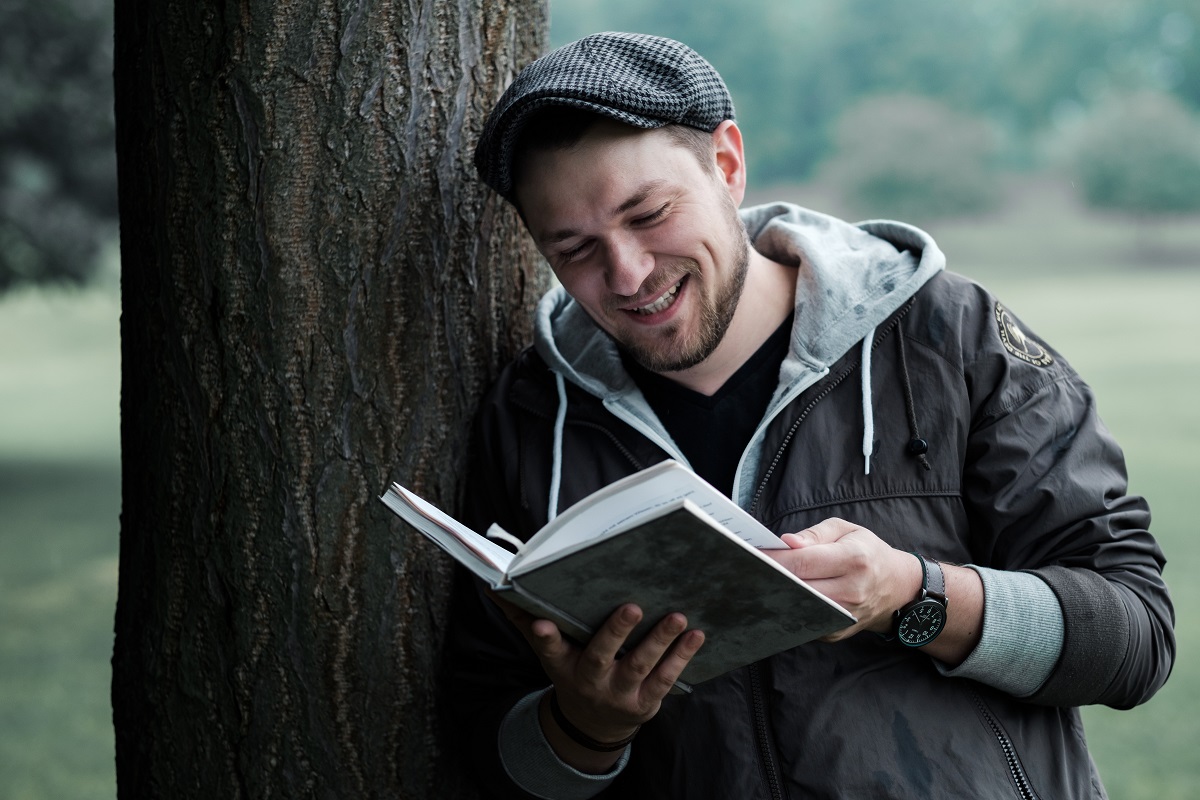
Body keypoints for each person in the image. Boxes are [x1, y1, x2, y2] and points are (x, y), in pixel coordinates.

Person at [447, 31, 1175, 799]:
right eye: (574, 248)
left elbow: (1132, 640)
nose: (626, 274)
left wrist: (911, 595)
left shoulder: (948, 337)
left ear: (727, 164)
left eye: (649, 213)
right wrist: (586, 728)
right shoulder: (530, 415)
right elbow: (484, 749)